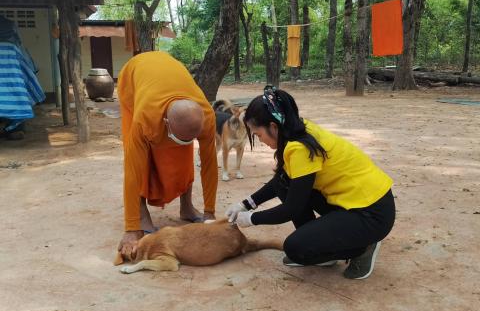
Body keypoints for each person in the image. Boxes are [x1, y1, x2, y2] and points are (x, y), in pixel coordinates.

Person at [226, 86, 395, 279]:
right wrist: (246, 203)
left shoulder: (299, 148)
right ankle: (323, 250)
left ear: (273, 126)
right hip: (351, 201)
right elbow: (282, 181)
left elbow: (291, 209)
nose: (261, 140)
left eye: (258, 135)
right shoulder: (296, 129)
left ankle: (363, 247)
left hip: (371, 213)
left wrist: (251, 219)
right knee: (284, 183)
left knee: (295, 248)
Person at [117, 51, 218, 260]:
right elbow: (132, 171)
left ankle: (187, 207)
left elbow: (209, 164)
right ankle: (142, 215)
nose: (183, 144)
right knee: (142, 160)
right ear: (166, 124)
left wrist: (210, 213)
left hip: (168, 80)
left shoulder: (205, 116)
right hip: (133, 82)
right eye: (179, 137)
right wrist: (130, 227)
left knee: (181, 157)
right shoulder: (144, 118)